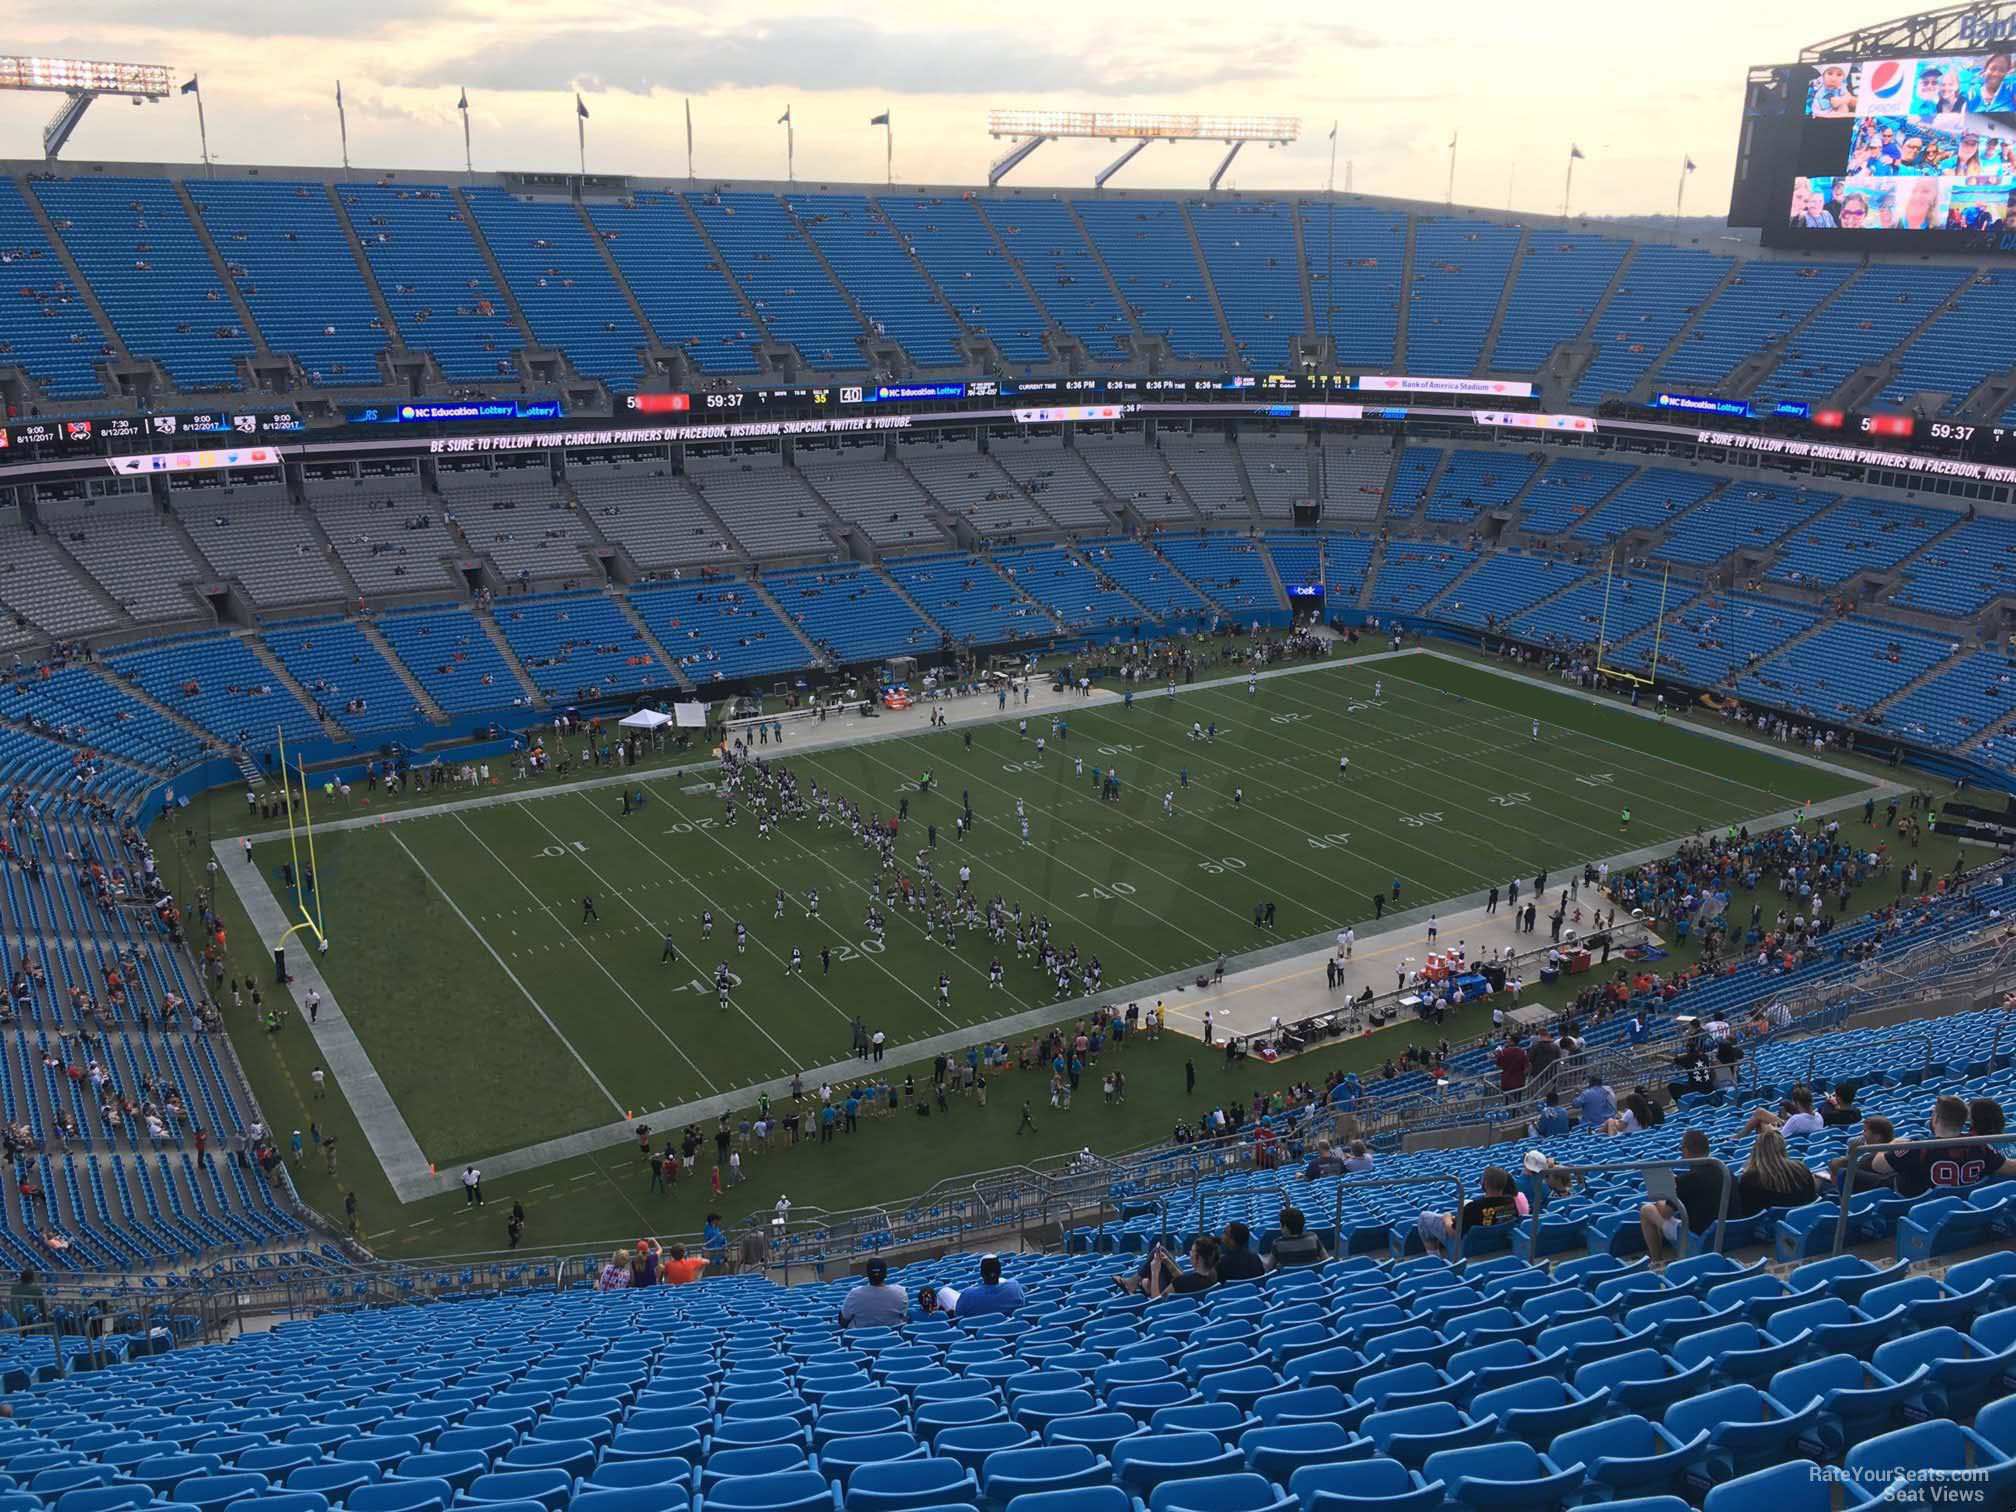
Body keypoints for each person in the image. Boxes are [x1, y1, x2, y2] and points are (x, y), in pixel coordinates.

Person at [1869, 1094, 2007, 1196]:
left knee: (1852, 1170)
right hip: (1957, 1203)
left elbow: (1878, 1166)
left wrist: (1893, 1144)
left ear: (1936, 1118)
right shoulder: (1980, 1146)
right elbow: (2009, 1167)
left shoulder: (1917, 1147)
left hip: (1913, 1205)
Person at [1638, 1129, 1729, 1266]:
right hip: (1727, 1230)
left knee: (1646, 1210)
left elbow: (1665, 1213)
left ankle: (1657, 1261)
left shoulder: (1687, 1180)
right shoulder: (1725, 1171)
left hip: (1699, 1237)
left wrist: (1661, 1193)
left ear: (1686, 1151)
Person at [1737, 1126, 1818, 1215]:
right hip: (1803, 1222)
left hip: (1767, 1226)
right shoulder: (1801, 1168)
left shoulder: (1750, 1178)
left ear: (1756, 1149)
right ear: (1783, 1147)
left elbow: (1746, 1211)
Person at [839, 1258, 909, 1327]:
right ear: (885, 1274)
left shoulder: (854, 1295)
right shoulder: (900, 1293)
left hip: (862, 1337)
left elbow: (844, 1320)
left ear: (868, 1275)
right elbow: (904, 1316)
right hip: (893, 1337)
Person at [1144, 1235, 1220, 1297]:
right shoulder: (1213, 1274)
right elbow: (1186, 1282)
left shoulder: (1180, 1283)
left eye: (1192, 1251)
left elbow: (1157, 1302)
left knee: (1145, 1283)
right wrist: (1168, 1262)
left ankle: (1138, 1281)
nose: (1189, 1253)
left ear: (1199, 1258)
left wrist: (1155, 1271)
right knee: (1162, 1250)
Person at [953, 1254, 1025, 1318]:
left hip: (978, 1330)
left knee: (943, 1291)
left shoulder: (968, 1294)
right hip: (1010, 1329)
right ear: (1000, 1272)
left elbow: (958, 1315)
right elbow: (1022, 1304)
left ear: (981, 1273)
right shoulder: (1014, 1286)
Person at [1264, 1206, 1328, 1270]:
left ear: (1285, 1227)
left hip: (1288, 1278)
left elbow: (1269, 1268)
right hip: (1312, 1277)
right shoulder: (1313, 1237)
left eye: (1281, 1225)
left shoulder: (1278, 1243)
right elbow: (1326, 1260)